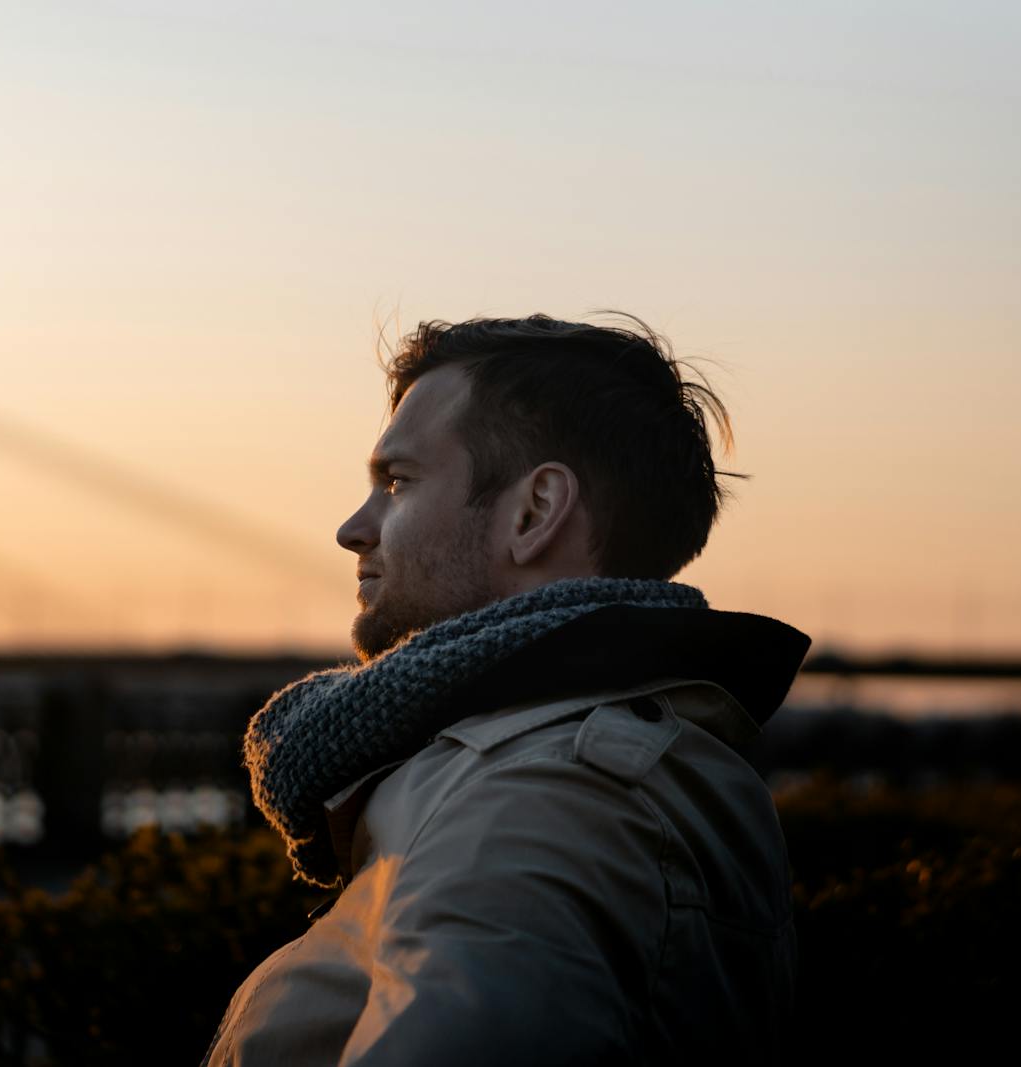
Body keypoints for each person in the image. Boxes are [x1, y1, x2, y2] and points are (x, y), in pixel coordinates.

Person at [203, 314, 811, 1066]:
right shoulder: (553, 762)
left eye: (396, 483)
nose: (353, 528)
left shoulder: (543, 799)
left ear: (534, 512)